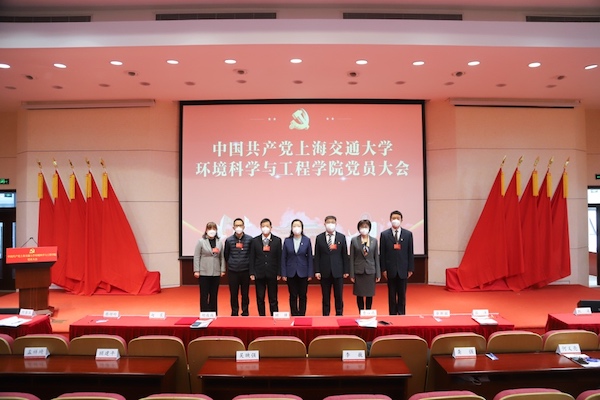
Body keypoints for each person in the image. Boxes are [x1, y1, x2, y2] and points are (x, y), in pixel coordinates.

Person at [379, 210, 414, 315]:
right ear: (390, 220)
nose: (395, 220)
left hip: (403, 269)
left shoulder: (408, 234)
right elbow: (382, 253)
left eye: (398, 218)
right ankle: (392, 314)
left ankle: (402, 314)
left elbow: (410, 252)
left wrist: (410, 268)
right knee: (391, 295)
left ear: (401, 220)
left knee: (402, 294)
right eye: (393, 218)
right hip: (390, 269)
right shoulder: (384, 235)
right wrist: (383, 269)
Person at [314, 215, 349, 316]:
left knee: (339, 296)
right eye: (328, 222)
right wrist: (317, 270)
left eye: (332, 222)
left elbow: (344, 255)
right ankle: (326, 315)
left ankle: (339, 314)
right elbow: (317, 255)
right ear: (324, 224)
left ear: (336, 224)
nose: (330, 224)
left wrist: (346, 270)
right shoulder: (319, 238)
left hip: (338, 271)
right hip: (324, 271)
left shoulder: (341, 237)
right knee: (325, 296)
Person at [249, 218, 282, 316]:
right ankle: (262, 317)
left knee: (273, 298)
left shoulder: (277, 240)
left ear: (271, 227)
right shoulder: (255, 241)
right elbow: (252, 257)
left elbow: (279, 257)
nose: (265, 228)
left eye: (267, 226)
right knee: (260, 297)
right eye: (263, 226)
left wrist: (279, 272)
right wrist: (252, 272)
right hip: (259, 273)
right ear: (260, 227)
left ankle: (274, 316)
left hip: (272, 273)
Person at [281, 219, 314, 316]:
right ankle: (294, 313)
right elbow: (283, 258)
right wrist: (283, 273)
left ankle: (302, 314)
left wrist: (310, 273)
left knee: (303, 295)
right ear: (291, 228)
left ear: (302, 228)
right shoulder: (287, 241)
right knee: (293, 295)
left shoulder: (306, 240)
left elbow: (310, 258)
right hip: (290, 271)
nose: (296, 228)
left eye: (298, 226)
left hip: (303, 271)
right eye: (294, 226)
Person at [193, 221, 225, 313]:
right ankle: (204, 313)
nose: (212, 231)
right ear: (206, 230)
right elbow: (196, 256)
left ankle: (213, 313)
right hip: (204, 271)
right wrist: (196, 270)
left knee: (214, 294)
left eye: (214, 229)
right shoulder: (201, 242)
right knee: (204, 294)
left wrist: (222, 269)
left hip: (216, 272)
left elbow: (222, 257)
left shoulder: (219, 242)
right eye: (210, 228)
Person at [349, 219, 381, 312]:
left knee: (369, 294)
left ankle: (368, 312)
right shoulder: (354, 240)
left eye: (366, 227)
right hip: (358, 271)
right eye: (362, 227)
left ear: (369, 228)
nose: (364, 229)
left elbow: (376, 258)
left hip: (370, 271)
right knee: (359, 294)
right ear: (359, 229)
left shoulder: (374, 241)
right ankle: (361, 311)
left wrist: (378, 273)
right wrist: (352, 274)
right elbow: (351, 258)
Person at [223, 217, 253, 316]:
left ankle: (245, 311)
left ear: (244, 227)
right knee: (233, 294)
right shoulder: (229, 240)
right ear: (233, 227)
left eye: (240, 225)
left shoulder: (250, 239)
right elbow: (226, 255)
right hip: (233, 271)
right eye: (236, 225)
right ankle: (234, 312)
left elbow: (251, 254)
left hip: (245, 270)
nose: (238, 227)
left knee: (245, 293)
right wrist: (232, 263)